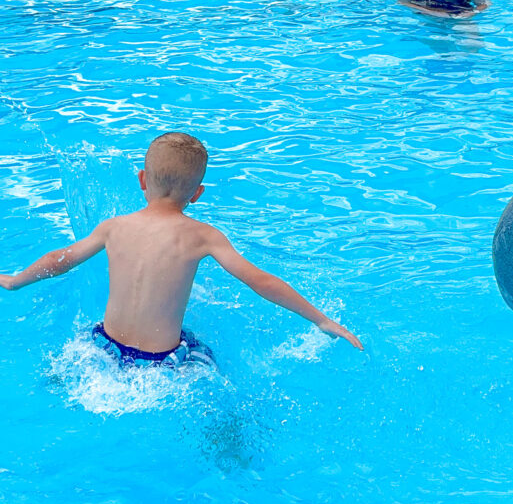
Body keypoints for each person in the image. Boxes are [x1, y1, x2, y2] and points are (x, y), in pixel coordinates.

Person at [0, 132, 362, 365]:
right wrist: (322, 319)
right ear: (197, 195)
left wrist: (15, 281)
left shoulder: (113, 227)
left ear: (142, 180)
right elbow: (260, 282)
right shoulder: (203, 236)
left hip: (103, 348)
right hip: (163, 362)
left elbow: (58, 260)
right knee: (218, 390)